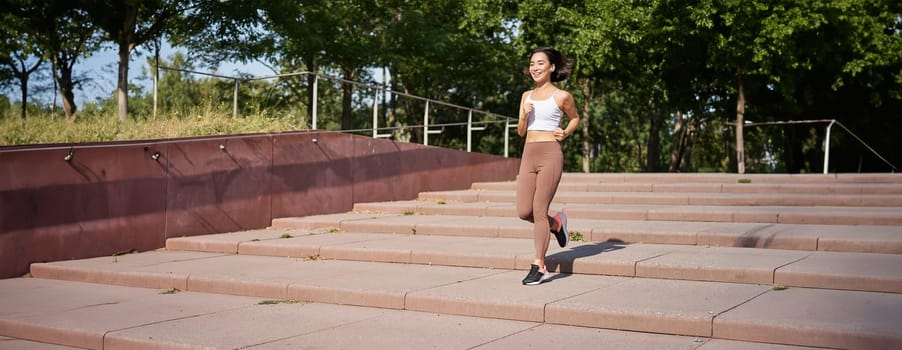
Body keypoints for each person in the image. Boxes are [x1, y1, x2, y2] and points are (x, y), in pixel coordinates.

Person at [516, 47, 580, 285]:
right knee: (524, 211)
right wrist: (523, 115)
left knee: (539, 209)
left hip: (550, 154)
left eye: (540, 63)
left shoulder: (562, 96)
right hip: (529, 154)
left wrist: (565, 132)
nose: (535, 67)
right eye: (532, 63)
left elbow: (575, 118)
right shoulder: (526, 96)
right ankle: (557, 224)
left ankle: (538, 265)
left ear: (551, 67)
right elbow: (521, 132)